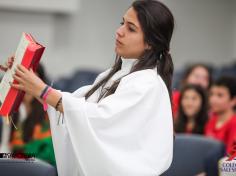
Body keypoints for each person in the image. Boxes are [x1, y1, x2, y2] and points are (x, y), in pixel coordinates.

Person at [6, 0, 174, 175]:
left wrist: (41, 89)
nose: (119, 31)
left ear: (150, 43)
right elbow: (71, 106)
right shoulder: (114, 75)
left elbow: (96, 118)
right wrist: (26, 76)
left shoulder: (147, 84)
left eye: (131, 28)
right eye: (122, 23)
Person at [0, 64, 56, 166]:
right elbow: (5, 149)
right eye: (24, 81)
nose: (28, 87)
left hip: (44, 164)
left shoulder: (48, 109)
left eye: (32, 82)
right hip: (18, 165)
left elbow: (49, 154)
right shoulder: (12, 111)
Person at [205, 76, 236, 154]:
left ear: (233, 100)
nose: (213, 99)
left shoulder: (234, 124)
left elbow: (230, 157)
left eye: (220, 95)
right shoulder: (211, 121)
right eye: (211, 94)